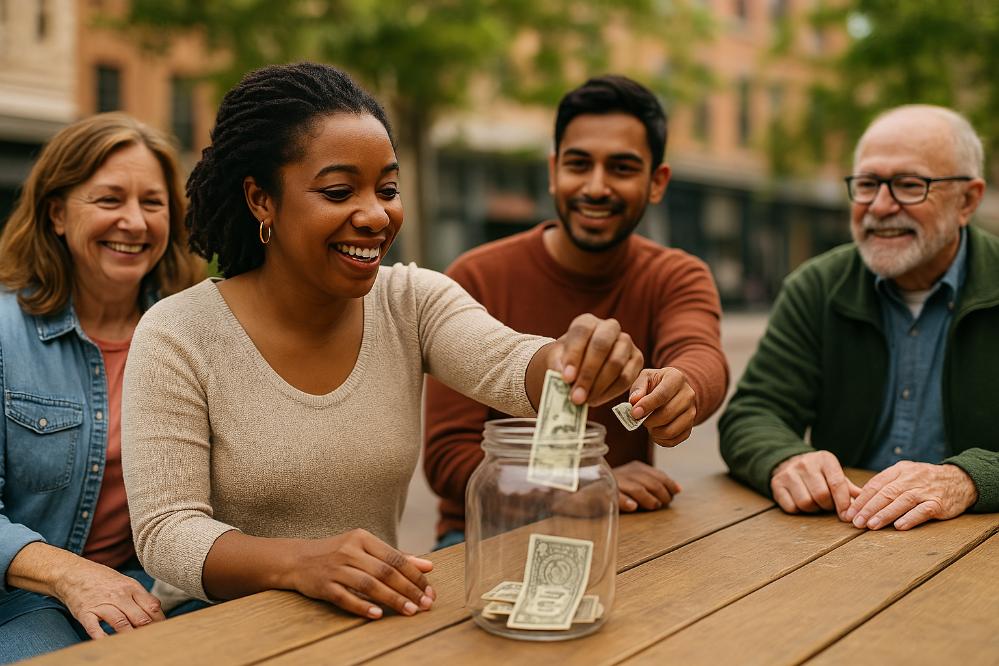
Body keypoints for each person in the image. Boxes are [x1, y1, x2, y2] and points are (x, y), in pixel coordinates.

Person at [120, 63, 643, 622]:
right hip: (213, 626)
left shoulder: (411, 301)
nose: (375, 215)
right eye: (340, 191)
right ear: (261, 200)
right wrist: (299, 563)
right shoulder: (177, 332)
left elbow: (512, 365)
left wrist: (576, 356)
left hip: (368, 620)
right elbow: (166, 532)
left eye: (388, 189)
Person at [423, 75, 729, 549]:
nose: (596, 186)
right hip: (486, 533)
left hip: (616, 531)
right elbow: (447, 458)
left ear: (657, 183)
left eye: (623, 168)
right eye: (578, 164)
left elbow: (699, 352)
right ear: (553, 171)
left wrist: (684, 388)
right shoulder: (476, 276)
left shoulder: (676, 275)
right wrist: (584, 486)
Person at [720, 104, 997, 531]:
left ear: (967, 200)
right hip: (842, 542)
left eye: (909, 185)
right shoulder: (817, 285)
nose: (880, 206)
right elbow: (753, 413)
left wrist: (967, 479)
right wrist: (786, 459)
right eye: (867, 184)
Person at [0, 113, 204, 662]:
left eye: (153, 203)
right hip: (22, 599)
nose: (134, 222)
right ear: (58, 214)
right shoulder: (3, 334)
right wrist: (73, 575)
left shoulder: (194, 334)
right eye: (110, 200)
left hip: (158, 589)